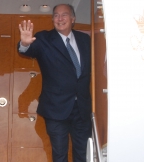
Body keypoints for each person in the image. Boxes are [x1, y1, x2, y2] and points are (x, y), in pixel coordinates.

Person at [18, 4, 92, 162]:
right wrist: (24, 44)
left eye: (64, 15)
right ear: (52, 19)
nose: (60, 18)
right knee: (59, 154)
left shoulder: (85, 40)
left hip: (82, 109)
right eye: (56, 15)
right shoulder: (44, 38)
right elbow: (30, 49)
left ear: (73, 19)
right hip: (56, 109)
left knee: (83, 154)